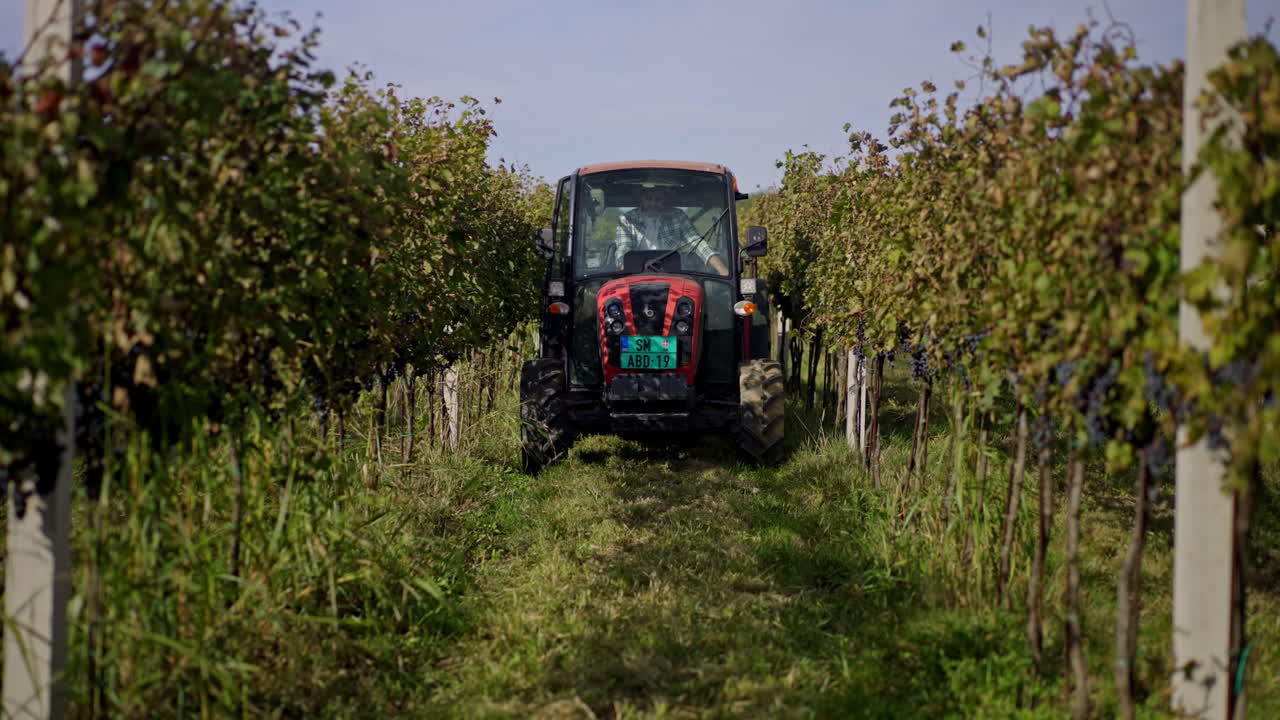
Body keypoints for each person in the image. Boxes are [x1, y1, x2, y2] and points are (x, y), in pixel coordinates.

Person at [614, 185, 729, 275]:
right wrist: (626, 270)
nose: (653, 203)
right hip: (637, 275)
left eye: (658, 199)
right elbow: (624, 249)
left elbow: (697, 243)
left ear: (664, 199)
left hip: (673, 275)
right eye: (648, 199)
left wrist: (722, 270)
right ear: (641, 198)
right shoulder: (627, 219)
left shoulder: (678, 217)